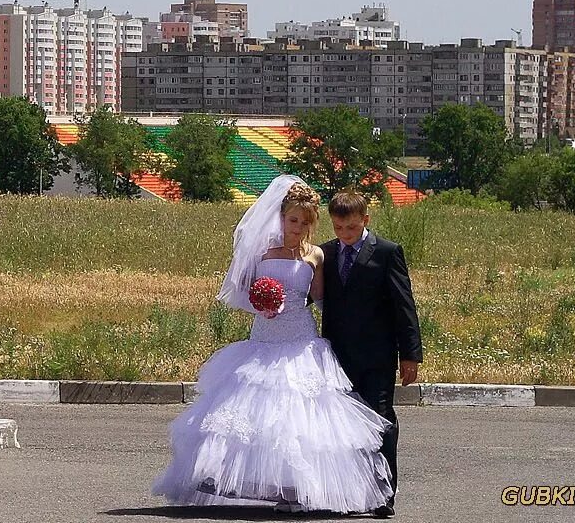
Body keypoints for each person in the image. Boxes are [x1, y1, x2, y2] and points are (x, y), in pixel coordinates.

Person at [153, 175, 394, 514]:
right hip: (265, 336)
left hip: (300, 337)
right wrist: (261, 304)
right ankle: (255, 483)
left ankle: (299, 488)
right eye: (293, 219)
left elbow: (321, 299)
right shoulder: (263, 251)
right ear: (282, 217)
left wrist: (357, 324)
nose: (298, 226)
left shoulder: (316, 256)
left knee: (300, 415)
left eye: (305, 221)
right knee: (257, 410)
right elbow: (240, 289)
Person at [321, 189, 423, 519]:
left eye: (350, 228)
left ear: (365, 220)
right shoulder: (326, 253)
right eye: (338, 228)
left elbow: (403, 306)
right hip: (337, 357)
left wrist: (410, 354)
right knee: (342, 426)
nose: (344, 235)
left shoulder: (387, 252)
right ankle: (349, 490)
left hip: (377, 357)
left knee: (380, 421)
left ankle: (383, 492)